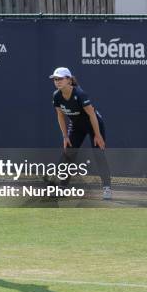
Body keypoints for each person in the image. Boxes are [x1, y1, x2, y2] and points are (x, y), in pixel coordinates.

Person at [50, 67, 112, 200]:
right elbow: (60, 116)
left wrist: (98, 135)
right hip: (76, 127)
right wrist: (65, 136)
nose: (57, 81)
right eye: (55, 79)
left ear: (69, 80)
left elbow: (92, 115)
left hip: (93, 125)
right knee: (68, 155)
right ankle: (63, 187)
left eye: (60, 78)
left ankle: (107, 188)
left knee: (98, 155)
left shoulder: (80, 94)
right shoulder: (57, 96)